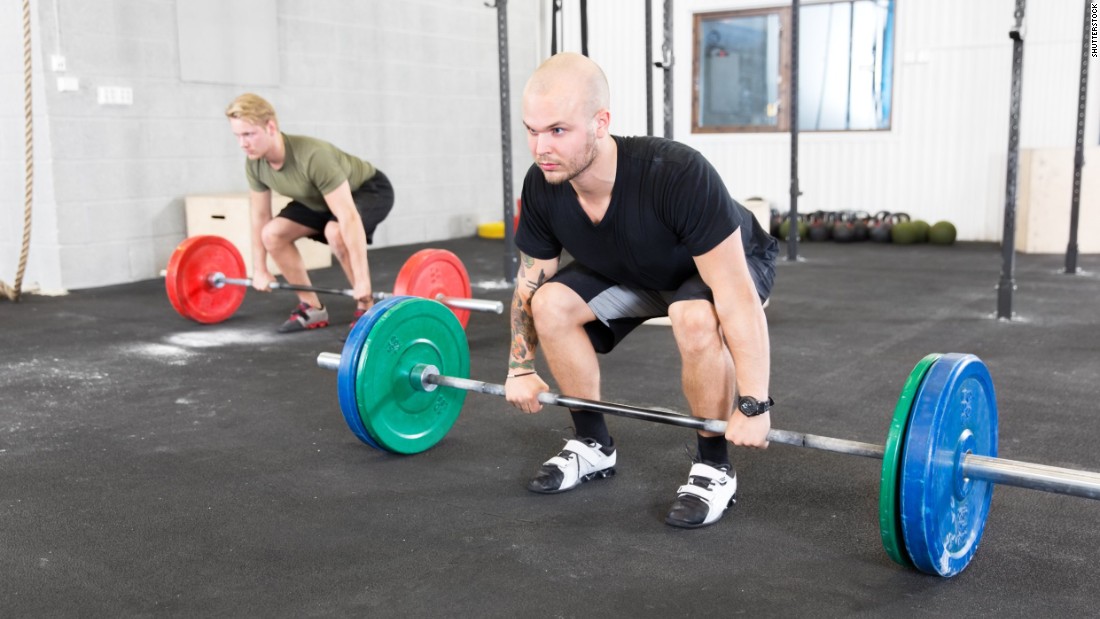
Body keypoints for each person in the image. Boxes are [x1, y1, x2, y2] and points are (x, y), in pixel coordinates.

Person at [504, 53, 778, 529]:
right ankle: (592, 445)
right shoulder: (543, 184)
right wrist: (519, 366)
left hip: (720, 267)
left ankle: (713, 465)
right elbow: (532, 280)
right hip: (634, 266)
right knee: (551, 304)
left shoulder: (675, 173)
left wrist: (753, 403)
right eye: (531, 130)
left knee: (694, 316)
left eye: (557, 130)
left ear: (600, 122)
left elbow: (734, 295)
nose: (540, 147)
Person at [224, 93, 394, 336]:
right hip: (318, 199)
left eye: (249, 134)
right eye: (238, 136)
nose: (243, 143)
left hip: (367, 189)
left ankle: (367, 309)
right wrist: (259, 267)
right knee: (272, 234)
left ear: (270, 127)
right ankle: (312, 307)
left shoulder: (312, 156)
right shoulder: (255, 163)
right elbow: (260, 216)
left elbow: (347, 215)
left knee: (335, 231)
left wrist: (363, 282)